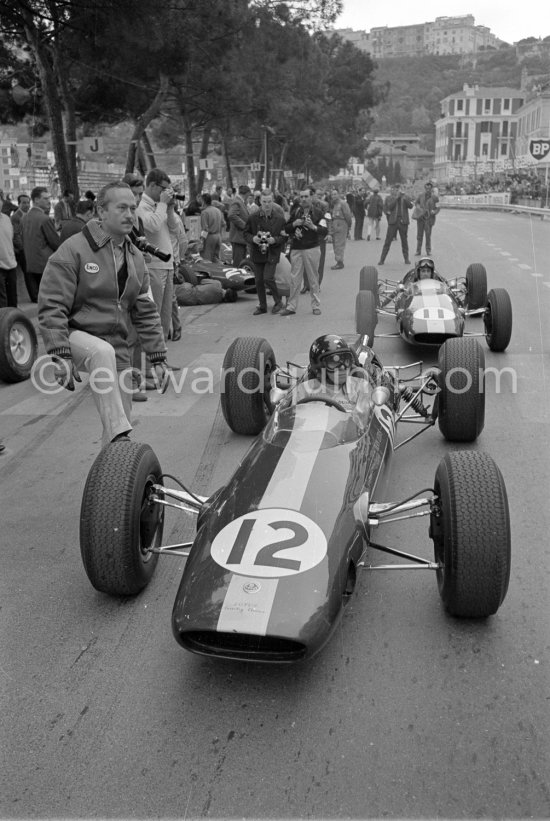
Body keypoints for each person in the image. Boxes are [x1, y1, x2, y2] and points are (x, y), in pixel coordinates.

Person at [38, 181, 167, 447]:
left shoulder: (136, 257)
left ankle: (117, 463)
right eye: (121, 208)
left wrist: (158, 357)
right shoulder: (73, 249)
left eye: (133, 208)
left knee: (120, 426)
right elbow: (52, 304)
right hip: (75, 337)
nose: (130, 214)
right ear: (101, 211)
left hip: (118, 348)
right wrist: (59, 354)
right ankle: (121, 437)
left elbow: (146, 313)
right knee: (101, 353)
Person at [136, 168, 183, 341]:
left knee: (165, 316)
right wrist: (163, 204)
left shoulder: (160, 206)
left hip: (167, 265)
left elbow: (175, 229)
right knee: (154, 315)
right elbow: (153, 226)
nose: (165, 193)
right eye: (163, 189)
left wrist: (170, 209)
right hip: (154, 266)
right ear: (153, 185)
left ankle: (161, 358)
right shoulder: (141, 206)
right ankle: (152, 361)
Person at [292, 334, 371, 417]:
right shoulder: (303, 390)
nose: (342, 367)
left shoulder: (361, 387)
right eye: (333, 363)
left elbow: (365, 422)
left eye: (346, 360)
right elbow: (293, 420)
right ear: (320, 367)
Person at [281, 188, 328, 317]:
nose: (303, 199)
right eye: (301, 197)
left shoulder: (318, 213)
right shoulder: (295, 211)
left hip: (312, 248)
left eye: (306, 196)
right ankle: (291, 306)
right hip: (296, 248)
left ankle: (316, 306)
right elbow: (286, 228)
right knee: (294, 279)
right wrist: (294, 225)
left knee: (313, 278)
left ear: (311, 197)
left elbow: (324, 230)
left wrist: (313, 226)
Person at [243, 189, 286, 315]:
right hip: (257, 252)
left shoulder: (279, 219)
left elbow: (285, 237)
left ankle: (278, 301)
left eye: (269, 201)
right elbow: (245, 233)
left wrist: (275, 240)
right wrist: (253, 239)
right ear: (260, 202)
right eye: (264, 201)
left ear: (273, 201)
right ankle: (262, 305)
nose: (267, 204)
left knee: (268, 277)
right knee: (259, 280)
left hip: (272, 252)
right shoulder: (253, 217)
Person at [21, 186, 60, 302]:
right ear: (36, 200)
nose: (49, 201)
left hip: (31, 263)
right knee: (50, 298)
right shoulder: (44, 219)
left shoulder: (24, 217)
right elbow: (56, 243)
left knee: (41, 298)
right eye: (45, 198)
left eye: (49, 198)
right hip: (45, 264)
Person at [378, 183, 413, 266]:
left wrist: (404, 198)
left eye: (399, 189)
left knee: (404, 241)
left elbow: (410, 206)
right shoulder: (389, 198)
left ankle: (406, 258)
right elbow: (390, 207)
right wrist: (397, 198)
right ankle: (382, 259)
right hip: (393, 221)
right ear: (393, 190)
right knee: (388, 241)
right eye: (396, 190)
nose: (397, 191)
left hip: (403, 221)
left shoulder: (406, 197)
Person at [414, 181, 440, 256]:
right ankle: (418, 251)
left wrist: (434, 212)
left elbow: (438, 208)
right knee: (419, 235)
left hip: (429, 219)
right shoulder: (421, 195)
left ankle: (428, 250)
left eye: (429, 188)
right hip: (421, 219)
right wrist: (419, 208)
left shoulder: (435, 198)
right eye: (426, 188)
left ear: (431, 189)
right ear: (425, 188)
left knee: (428, 235)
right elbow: (416, 203)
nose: (428, 189)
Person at [228, 184, 251, 266]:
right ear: (247, 193)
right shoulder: (237, 202)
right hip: (237, 238)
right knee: (238, 262)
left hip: (240, 238)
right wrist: (244, 226)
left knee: (241, 261)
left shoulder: (240, 202)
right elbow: (231, 215)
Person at [329, 189, 352, 269]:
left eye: (335, 194)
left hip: (341, 224)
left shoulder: (343, 203)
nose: (334, 196)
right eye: (332, 194)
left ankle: (340, 262)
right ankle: (338, 260)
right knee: (335, 244)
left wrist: (349, 226)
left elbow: (348, 215)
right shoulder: (334, 204)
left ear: (338, 194)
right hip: (335, 224)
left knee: (339, 244)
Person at [199, 192, 225, 262]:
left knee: (207, 259)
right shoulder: (218, 210)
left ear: (203, 201)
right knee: (216, 258)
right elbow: (223, 223)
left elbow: (205, 229)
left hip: (210, 237)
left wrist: (201, 240)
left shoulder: (205, 212)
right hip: (218, 236)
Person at [0, 207, 18, 307]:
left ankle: (14, 320)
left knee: (13, 298)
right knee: (2, 301)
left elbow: (10, 238)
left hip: (11, 264)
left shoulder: (6, 219)